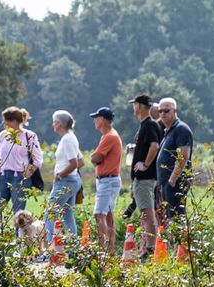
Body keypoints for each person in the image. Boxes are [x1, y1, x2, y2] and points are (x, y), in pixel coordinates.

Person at [0, 107, 43, 227]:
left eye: (5, 120)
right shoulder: (2, 135)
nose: (4, 123)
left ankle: (19, 242)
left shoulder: (30, 136)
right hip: (1, 177)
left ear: (13, 121)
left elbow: (38, 159)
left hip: (19, 179)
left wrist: (29, 172)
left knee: (19, 215)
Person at [128, 94, 163, 258]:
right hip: (142, 179)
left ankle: (151, 249)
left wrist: (146, 164)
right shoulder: (146, 125)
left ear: (140, 106)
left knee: (148, 213)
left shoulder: (149, 125)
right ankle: (148, 246)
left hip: (145, 178)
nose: (133, 108)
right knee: (145, 213)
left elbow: (154, 146)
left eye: (134, 105)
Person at [88, 107, 123, 253]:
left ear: (102, 119)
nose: (94, 121)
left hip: (107, 181)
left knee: (99, 214)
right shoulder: (109, 136)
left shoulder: (109, 136)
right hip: (110, 180)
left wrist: (94, 157)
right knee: (108, 214)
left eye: (96, 117)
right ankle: (110, 250)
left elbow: (95, 158)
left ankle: (102, 249)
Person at [156, 98, 194, 226]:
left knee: (176, 217)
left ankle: (181, 244)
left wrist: (172, 179)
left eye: (166, 110)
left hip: (175, 182)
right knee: (169, 217)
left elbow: (183, 156)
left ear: (175, 111)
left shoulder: (181, 129)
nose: (162, 114)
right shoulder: (169, 130)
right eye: (160, 111)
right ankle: (174, 244)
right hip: (166, 182)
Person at [46, 110, 83, 241]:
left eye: (54, 122)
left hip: (65, 181)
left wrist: (60, 174)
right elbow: (81, 161)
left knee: (50, 213)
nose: (53, 125)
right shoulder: (71, 137)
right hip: (72, 180)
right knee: (67, 215)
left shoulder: (67, 139)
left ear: (59, 123)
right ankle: (73, 247)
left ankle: (50, 248)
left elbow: (74, 163)